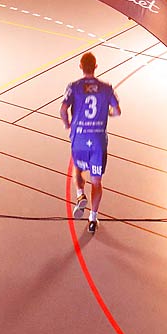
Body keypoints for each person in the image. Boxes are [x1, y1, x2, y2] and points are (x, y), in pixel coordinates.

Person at [60, 52, 120, 234]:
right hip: (98, 142)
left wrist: (67, 124)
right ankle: (93, 218)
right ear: (96, 66)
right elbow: (117, 111)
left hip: (79, 138)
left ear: (80, 66)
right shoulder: (107, 88)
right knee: (97, 181)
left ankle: (80, 195)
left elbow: (63, 109)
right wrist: (107, 113)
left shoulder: (74, 87)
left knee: (77, 169)